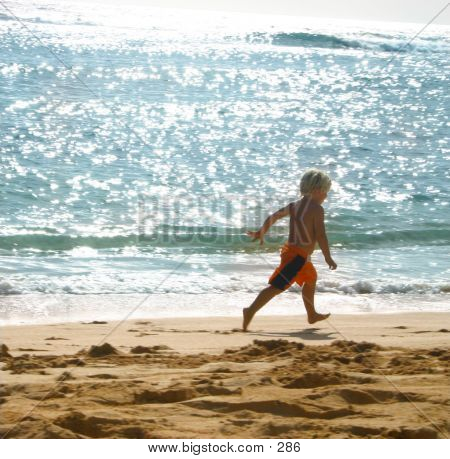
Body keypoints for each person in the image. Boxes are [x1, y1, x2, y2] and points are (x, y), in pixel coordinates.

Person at [243, 169, 337, 332]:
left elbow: (274, 216)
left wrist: (261, 232)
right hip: (297, 257)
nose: (326, 197)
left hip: (295, 253)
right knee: (277, 287)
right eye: (325, 192)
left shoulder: (294, 206)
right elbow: (321, 235)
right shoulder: (316, 209)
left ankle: (312, 314)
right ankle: (250, 310)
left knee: (311, 278)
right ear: (316, 191)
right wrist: (328, 257)